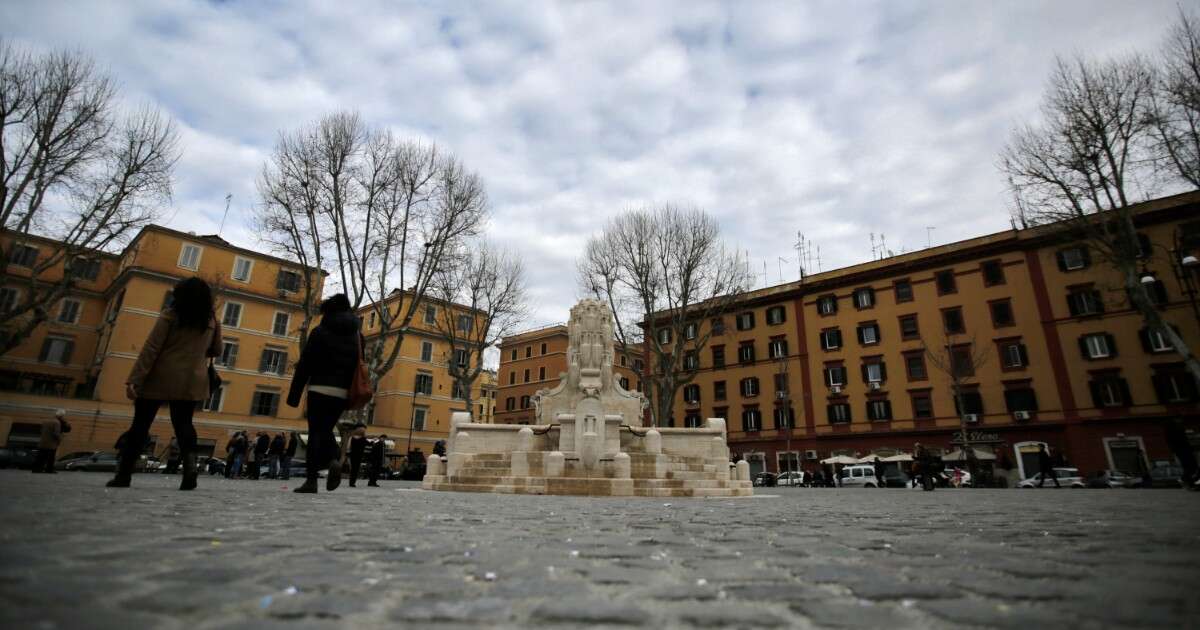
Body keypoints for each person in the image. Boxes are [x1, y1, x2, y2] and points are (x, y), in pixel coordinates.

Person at [108, 277, 221, 491]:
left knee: (140, 425)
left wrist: (135, 379)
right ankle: (190, 472)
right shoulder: (211, 321)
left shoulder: (170, 315)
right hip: (192, 379)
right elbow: (217, 350)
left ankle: (124, 474)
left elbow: (152, 348)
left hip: (160, 376)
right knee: (184, 425)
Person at [287, 294, 361, 494]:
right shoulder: (357, 336)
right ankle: (333, 459)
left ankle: (313, 479)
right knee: (326, 430)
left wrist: (294, 394)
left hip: (319, 388)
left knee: (315, 433)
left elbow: (306, 363)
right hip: (342, 392)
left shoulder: (320, 332)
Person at [33, 409, 71, 474]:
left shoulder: (45, 421)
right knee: (51, 458)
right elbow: (56, 433)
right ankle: (49, 470)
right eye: (63, 416)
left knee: (40, 457)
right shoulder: (57, 422)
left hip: (42, 442)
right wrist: (59, 439)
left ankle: (36, 469)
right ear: (61, 416)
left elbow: (41, 431)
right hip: (51, 444)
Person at [1164, 419, 1199, 489]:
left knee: (1190, 467)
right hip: (1183, 450)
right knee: (1191, 467)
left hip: (1182, 451)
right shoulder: (1176, 431)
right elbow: (1184, 441)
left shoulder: (1170, 432)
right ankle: (1188, 482)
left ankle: (1189, 482)